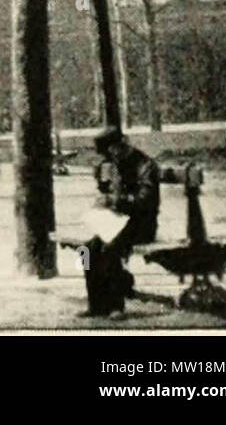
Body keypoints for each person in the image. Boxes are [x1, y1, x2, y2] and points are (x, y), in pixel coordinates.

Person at [83, 126, 160, 316]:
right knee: (87, 250)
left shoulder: (145, 165)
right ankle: (96, 304)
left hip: (142, 225)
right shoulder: (115, 163)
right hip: (117, 223)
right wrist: (102, 190)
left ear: (119, 145)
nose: (109, 157)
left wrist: (115, 201)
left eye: (110, 152)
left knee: (110, 249)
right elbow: (110, 192)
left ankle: (116, 306)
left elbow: (146, 201)